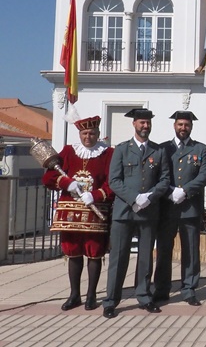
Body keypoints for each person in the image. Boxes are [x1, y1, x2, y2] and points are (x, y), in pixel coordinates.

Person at [41, 113, 114, 311]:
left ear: (98, 134)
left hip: (95, 211)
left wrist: (97, 195)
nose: (87, 137)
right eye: (84, 133)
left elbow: (113, 183)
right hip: (70, 212)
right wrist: (66, 182)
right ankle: (74, 294)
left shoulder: (108, 154)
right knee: (73, 252)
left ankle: (91, 295)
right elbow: (48, 177)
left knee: (94, 253)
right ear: (79, 134)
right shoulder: (67, 152)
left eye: (91, 133)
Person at [102, 108, 171, 319]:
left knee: (145, 257)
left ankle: (143, 295)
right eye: (142, 122)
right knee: (119, 256)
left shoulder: (158, 151)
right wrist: (134, 198)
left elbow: (165, 180)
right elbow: (114, 180)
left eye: (148, 122)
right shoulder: (122, 150)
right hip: (124, 212)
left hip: (149, 211)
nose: (145, 126)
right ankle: (111, 300)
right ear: (134, 124)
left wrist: (149, 197)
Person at [153, 111, 206, 306]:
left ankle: (189, 289)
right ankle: (161, 289)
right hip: (167, 207)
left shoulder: (200, 149)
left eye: (186, 125)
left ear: (191, 127)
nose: (183, 128)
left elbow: (204, 176)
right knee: (163, 250)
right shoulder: (163, 149)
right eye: (180, 125)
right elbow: (158, 174)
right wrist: (169, 191)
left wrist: (184, 191)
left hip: (189, 208)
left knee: (191, 251)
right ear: (174, 126)